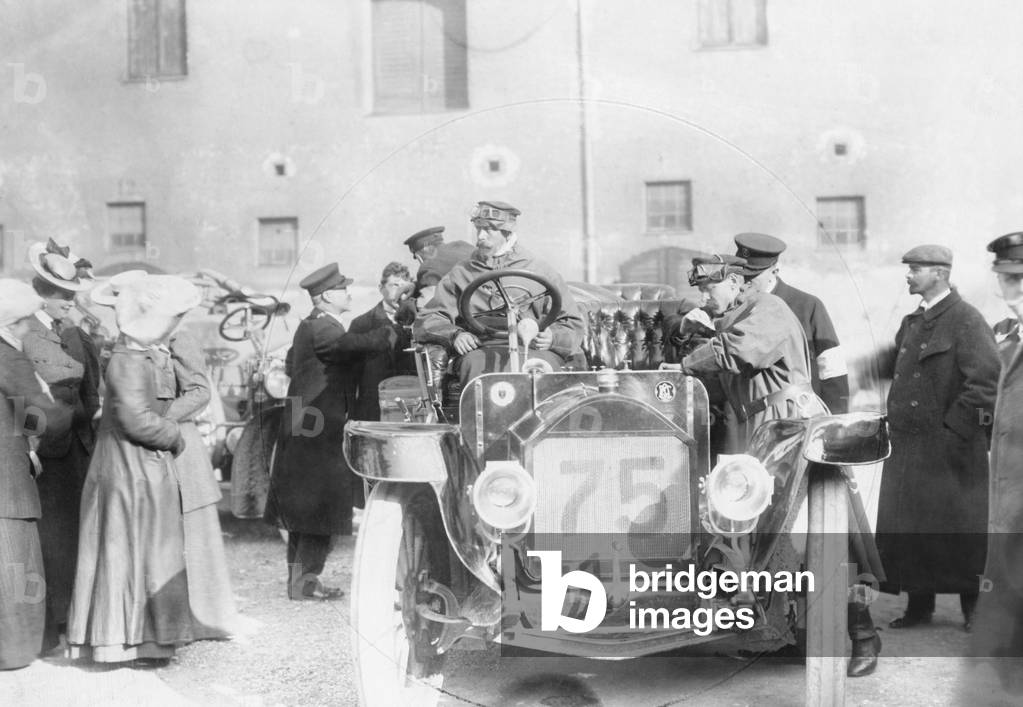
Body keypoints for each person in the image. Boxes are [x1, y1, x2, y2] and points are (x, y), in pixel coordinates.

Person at [662, 254, 881, 676]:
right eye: (701, 291)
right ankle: (781, 635)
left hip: (793, 426)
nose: (705, 298)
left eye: (710, 289)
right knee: (765, 533)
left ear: (735, 282)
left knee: (824, 533)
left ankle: (863, 635)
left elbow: (737, 352)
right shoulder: (737, 313)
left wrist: (688, 357)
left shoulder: (769, 309)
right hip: (761, 426)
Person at [67, 275, 199, 663]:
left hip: (139, 468)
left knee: (146, 552)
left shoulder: (139, 356)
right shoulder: (127, 360)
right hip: (128, 471)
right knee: (128, 552)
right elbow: (136, 421)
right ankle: (121, 640)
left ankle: (146, 639)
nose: (173, 326)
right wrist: (175, 435)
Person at [875, 245, 998, 633]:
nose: (908, 276)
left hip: (953, 449)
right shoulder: (913, 321)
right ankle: (918, 608)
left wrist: (953, 432)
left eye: (916, 269)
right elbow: (895, 368)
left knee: (961, 531)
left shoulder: (966, 319)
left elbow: (985, 385)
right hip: (909, 447)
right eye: (909, 268)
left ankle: (974, 611)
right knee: (912, 529)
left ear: (940, 273)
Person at [264, 263, 397, 600]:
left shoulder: (311, 326)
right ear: (325, 297)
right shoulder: (324, 328)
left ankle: (302, 582)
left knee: (304, 511)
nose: (348, 293)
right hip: (317, 431)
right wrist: (389, 326)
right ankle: (305, 584)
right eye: (342, 289)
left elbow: (298, 364)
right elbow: (353, 345)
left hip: (307, 427)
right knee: (317, 508)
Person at [21, 239, 101, 653]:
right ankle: (53, 624)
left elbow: (89, 389)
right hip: (46, 452)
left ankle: (70, 618)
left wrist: (87, 422)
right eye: (64, 300)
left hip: (74, 446)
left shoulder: (64, 329)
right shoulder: (29, 332)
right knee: (53, 539)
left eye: (72, 299)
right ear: (43, 296)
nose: (71, 306)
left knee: (73, 536)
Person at [414, 201, 586, 384]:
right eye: (478, 229)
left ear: (507, 233)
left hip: (534, 348)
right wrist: (455, 335)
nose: (480, 236)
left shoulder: (540, 270)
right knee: (478, 369)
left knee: (542, 370)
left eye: (489, 230)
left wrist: (553, 338)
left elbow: (573, 323)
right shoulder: (461, 273)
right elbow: (430, 318)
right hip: (481, 349)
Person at [0, 280, 71, 670]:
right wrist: (70, 413)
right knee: (13, 567)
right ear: (12, 322)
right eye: (26, 321)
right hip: (6, 482)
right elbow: (38, 416)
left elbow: (17, 411)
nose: (30, 328)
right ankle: (12, 653)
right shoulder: (9, 357)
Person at [734, 233, 850, 412]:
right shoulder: (736, 309)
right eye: (741, 274)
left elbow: (832, 370)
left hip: (801, 415)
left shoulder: (807, 306)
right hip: (752, 416)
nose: (745, 281)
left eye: (753, 275)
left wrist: (834, 423)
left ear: (774, 270)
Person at [349, 262, 417, 422]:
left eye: (404, 286)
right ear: (381, 287)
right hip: (373, 411)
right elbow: (350, 377)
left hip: (412, 408)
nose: (400, 291)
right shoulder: (361, 324)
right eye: (394, 285)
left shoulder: (419, 322)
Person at [403, 225, 474, 305]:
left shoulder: (426, 267)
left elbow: (429, 304)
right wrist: (415, 285)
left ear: (420, 254)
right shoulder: (462, 245)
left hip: (467, 314)